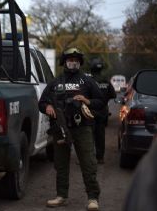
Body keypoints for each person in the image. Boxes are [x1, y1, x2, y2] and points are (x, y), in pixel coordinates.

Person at [38, 48, 104, 210]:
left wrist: (87, 101)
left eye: (76, 60)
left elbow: (101, 102)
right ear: (64, 62)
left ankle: (93, 198)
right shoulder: (55, 82)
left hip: (82, 128)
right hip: (60, 128)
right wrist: (46, 107)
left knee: (88, 163)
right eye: (70, 59)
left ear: (80, 62)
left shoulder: (87, 81)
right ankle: (61, 196)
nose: (73, 62)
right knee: (60, 164)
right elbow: (41, 102)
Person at [89, 58, 116, 164]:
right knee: (100, 135)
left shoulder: (89, 81)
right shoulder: (106, 81)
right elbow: (113, 95)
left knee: (88, 136)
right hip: (102, 113)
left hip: (90, 112)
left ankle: (88, 158)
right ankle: (100, 158)